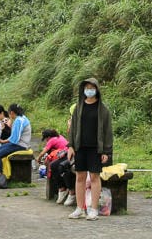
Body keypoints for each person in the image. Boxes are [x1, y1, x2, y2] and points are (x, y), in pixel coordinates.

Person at [67, 77, 113, 220]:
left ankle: (93, 209)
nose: (89, 90)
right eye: (87, 88)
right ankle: (80, 208)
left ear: (97, 90)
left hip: (95, 149)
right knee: (80, 177)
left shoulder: (103, 110)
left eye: (92, 88)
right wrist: (71, 146)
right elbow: (73, 129)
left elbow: (108, 132)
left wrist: (106, 151)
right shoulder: (78, 107)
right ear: (83, 90)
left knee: (94, 177)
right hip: (80, 147)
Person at [0, 103, 31, 183]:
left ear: (12, 112)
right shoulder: (22, 118)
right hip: (17, 143)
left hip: (21, 145)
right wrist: (4, 141)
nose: (9, 115)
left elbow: (15, 139)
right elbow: (14, 137)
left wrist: (3, 141)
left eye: (9, 113)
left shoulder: (19, 121)